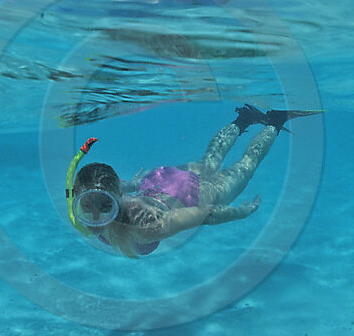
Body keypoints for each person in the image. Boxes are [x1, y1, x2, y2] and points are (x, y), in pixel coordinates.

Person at [65, 104, 320, 259]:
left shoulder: (148, 228)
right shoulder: (94, 198)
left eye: (105, 207)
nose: (95, 218)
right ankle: (243, 119)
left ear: (117, 199)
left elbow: (205, 214)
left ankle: (276, 120)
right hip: (158, 179)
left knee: (244, 168)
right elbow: (104, 187)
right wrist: (131, 186)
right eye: (86, 206)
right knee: (208, 162)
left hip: (187, 193)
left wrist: (241, 213)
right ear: (76, 198)